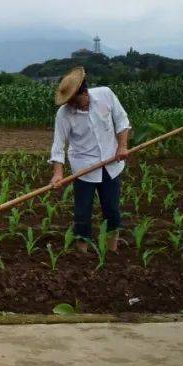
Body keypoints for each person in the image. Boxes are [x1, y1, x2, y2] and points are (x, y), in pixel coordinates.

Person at [50, 67, 131, 251]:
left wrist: (122, 146)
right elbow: (58, 145)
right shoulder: (63, 114)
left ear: (84, 92)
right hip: (83, 168)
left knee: (111, 209)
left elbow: (122, 120)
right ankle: (82, 253)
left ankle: (112, 250)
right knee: (82, 213)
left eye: (74, 101)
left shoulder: (106, 95)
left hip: (111, 164)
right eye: (68, 102)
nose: (71, 105)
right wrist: (58, 173)